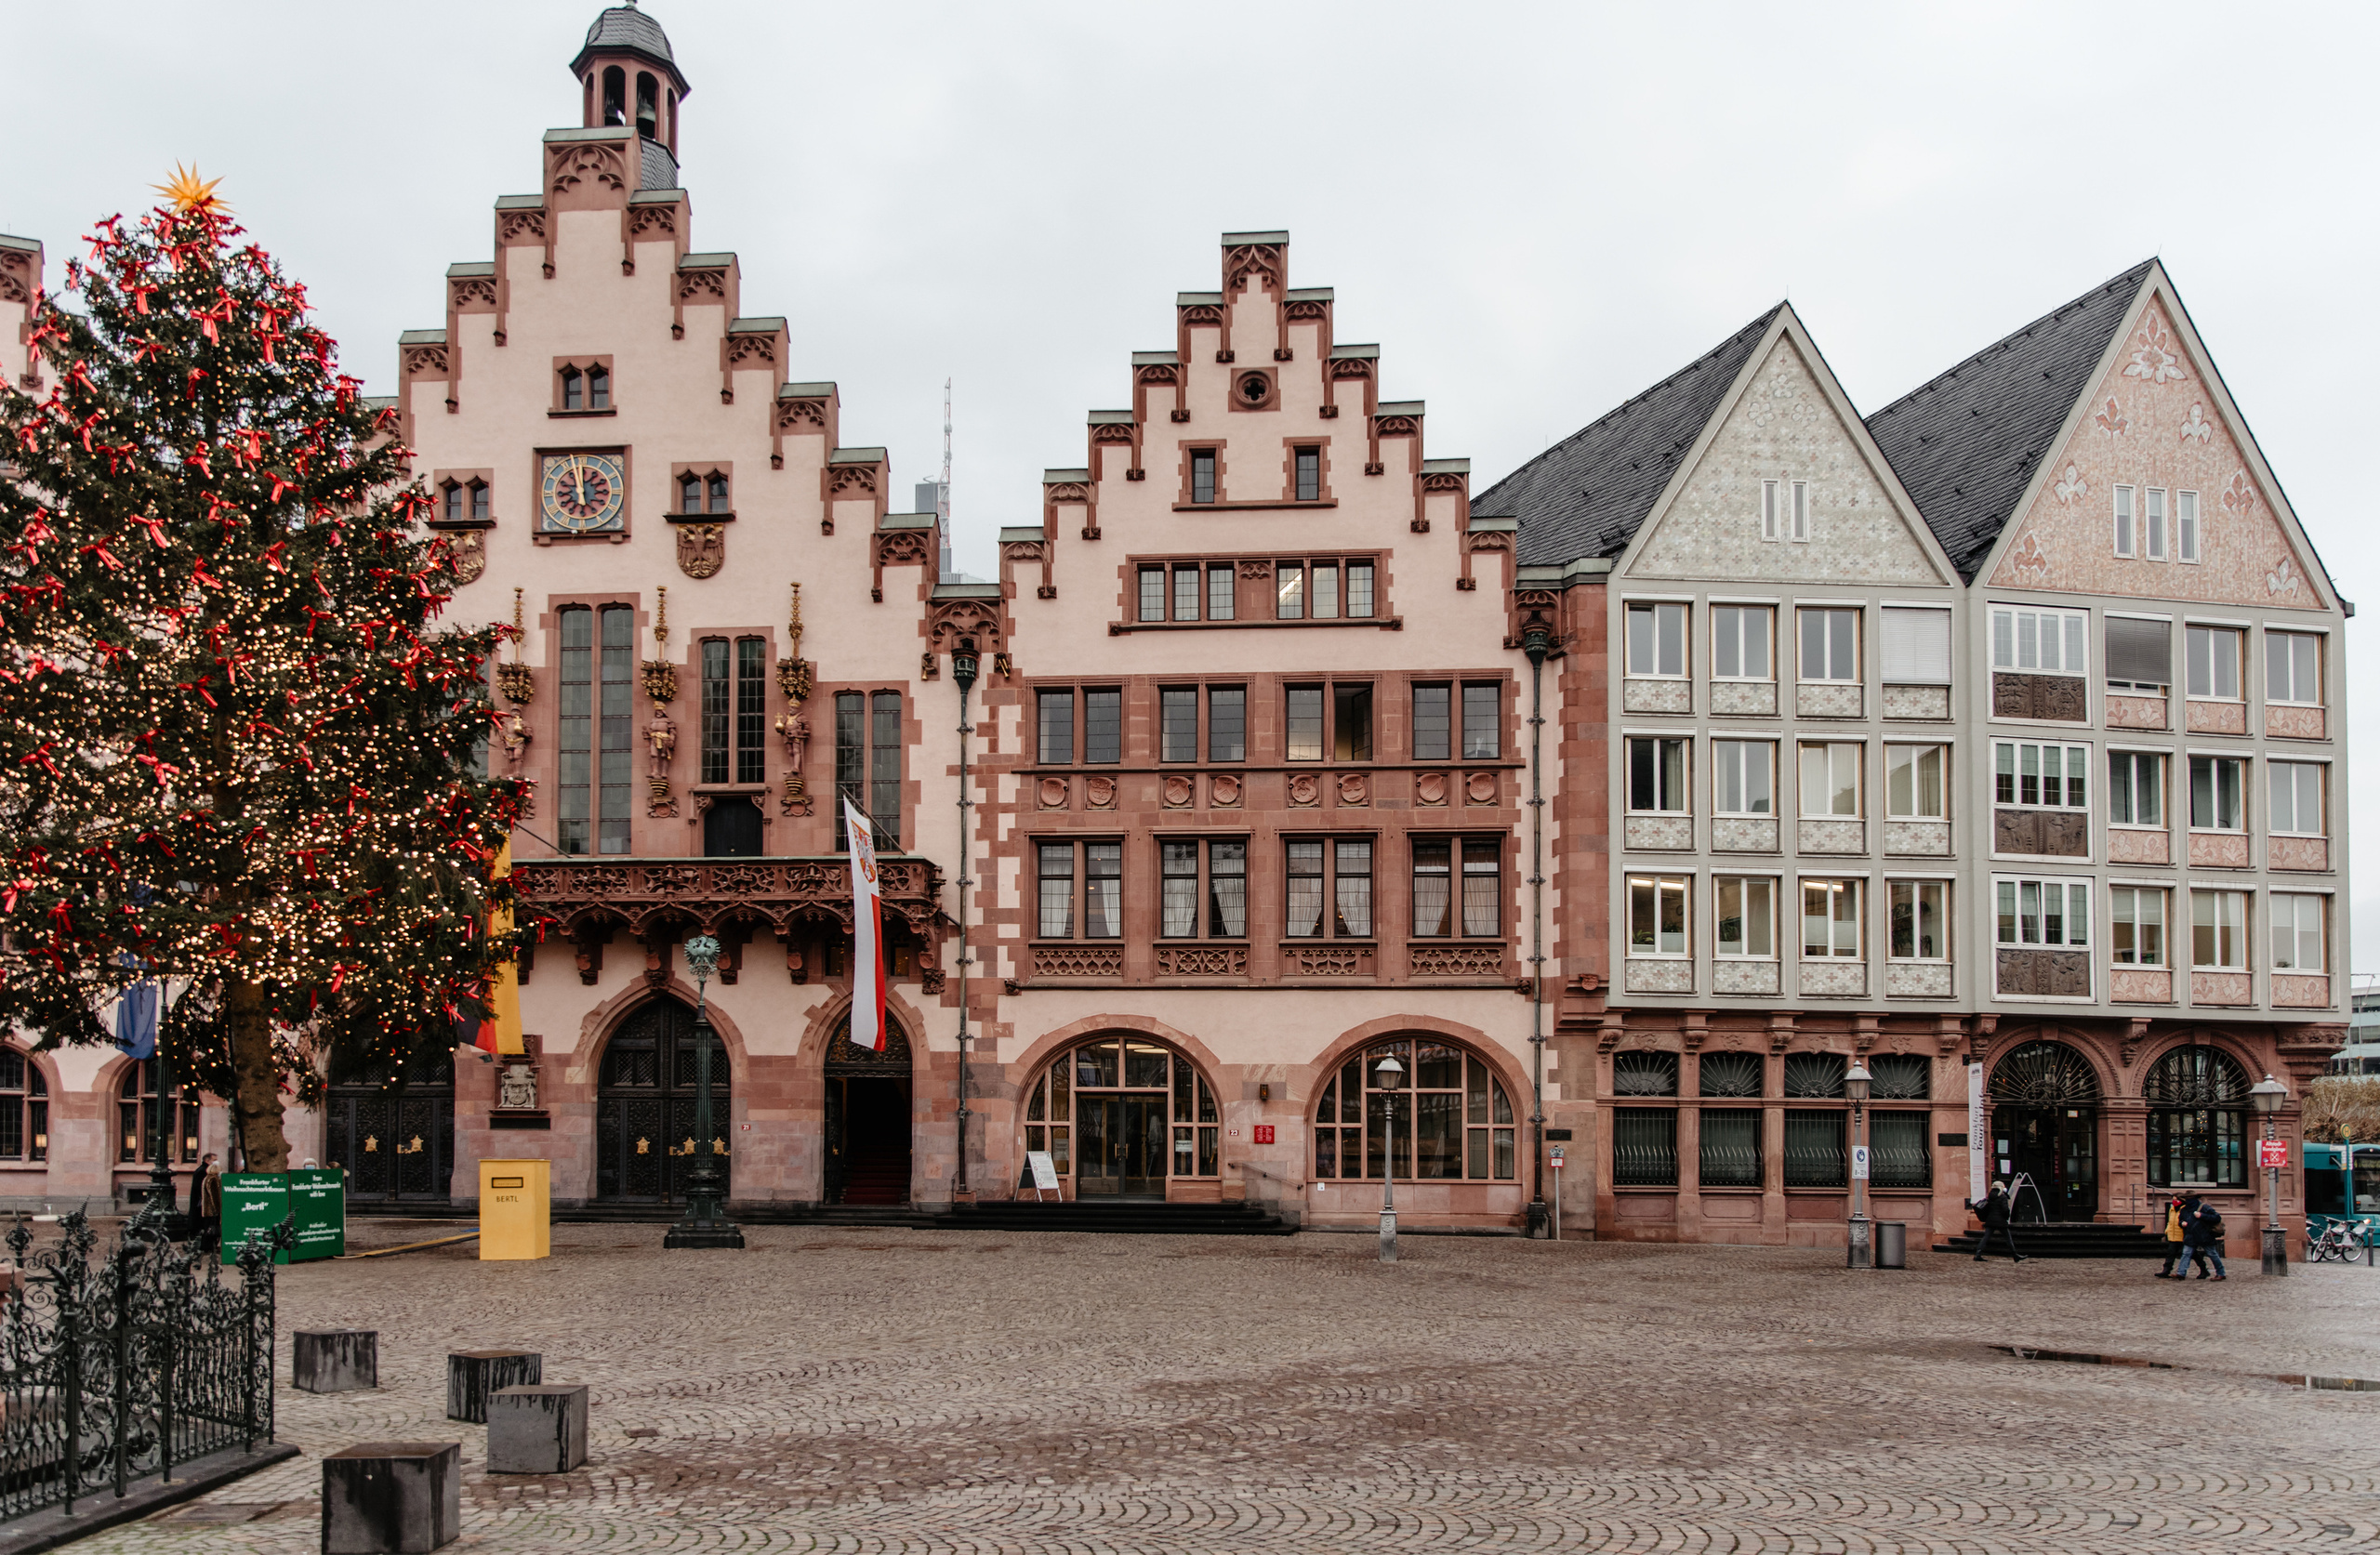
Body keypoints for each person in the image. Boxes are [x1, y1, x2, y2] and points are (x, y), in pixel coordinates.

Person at [1968, 1179, 2026, 1263]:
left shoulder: (1990, 1196)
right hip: (2000, 1221)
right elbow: (2005, 1210)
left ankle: (1978, 1254)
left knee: (1985, 1238)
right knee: (2008, 1239)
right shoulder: (2003, 1197)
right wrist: (2006, 1217)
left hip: (1990, 1220)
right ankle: (2015, 1255)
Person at [2186, 1197, 2228, 1281]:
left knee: (2212, 1254)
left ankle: (2221, 1273)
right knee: (2186, 1253)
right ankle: (2181, 1273)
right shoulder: (2187, 1208)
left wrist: (2202, 1215)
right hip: (2193, 1235)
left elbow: (2216, 1217)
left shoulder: (2204, 1207)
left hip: (2205, 1235)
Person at [191, 1152, 221, 1252]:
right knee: (208, 1228)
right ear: (207, 1161)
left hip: (204, 1206)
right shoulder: (205, 1174)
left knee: (207, 1227)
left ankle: (207, 1246)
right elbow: (212, 1195)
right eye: (214, 1160)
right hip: (205, 1207)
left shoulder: (206, 1174)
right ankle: (207, 1247)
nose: (216, 1162)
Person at [2154, 1193, 2188, 1277]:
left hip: (2183, 1235)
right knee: (2171, 1253)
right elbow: (2170, 1221)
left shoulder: (2185, 1209)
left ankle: (2203, 1269)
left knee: (2193, 1254)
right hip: (2173, 1236)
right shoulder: (2172, 1209)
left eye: (2176, 1200)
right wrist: (2167, 1231)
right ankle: (2166, 1270)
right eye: (2173, 1200)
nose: (2174, 1202)